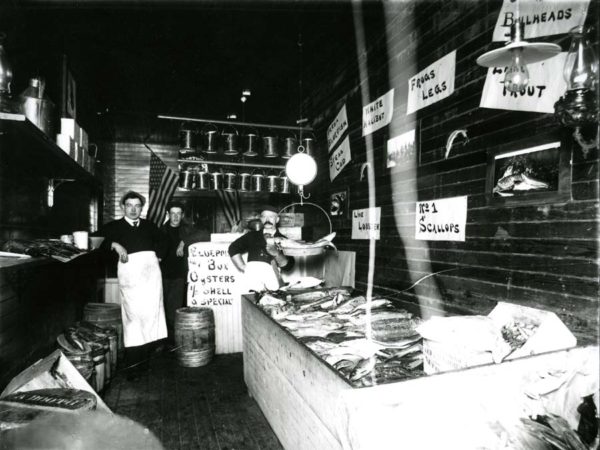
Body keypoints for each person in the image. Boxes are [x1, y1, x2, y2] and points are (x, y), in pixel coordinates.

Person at [97, 190, 167, 379]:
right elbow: (95, 240)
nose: (133, 209)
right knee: (133, 319)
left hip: (151, 277)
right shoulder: (113, 227)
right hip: (130, 278)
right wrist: (114, 244)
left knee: (149, 317)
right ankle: (133, 367)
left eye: (137, 206)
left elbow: (163, 241)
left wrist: (157, 257)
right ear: (122, 207)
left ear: (141, 208)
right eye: (129, 205)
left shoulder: (149, 226)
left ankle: (143, 364)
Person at [160, 200, 209, 346]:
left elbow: (205, 234)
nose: (175, 217)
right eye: (172, 213)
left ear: (182, 215)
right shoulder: (161, 230)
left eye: (178, 214)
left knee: (174, 310)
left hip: (179, 275)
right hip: (161, 275)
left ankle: (174, 342)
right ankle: (164, 341)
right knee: (161, 308)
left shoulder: (187, 230)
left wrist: (184, 242)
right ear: (167, 214)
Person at [228, 205, 294, 292]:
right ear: (261, 219)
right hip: (253, 283)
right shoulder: (251, 236)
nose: (267, 220)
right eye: (264, 217)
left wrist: (277, 254)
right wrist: (243, 267)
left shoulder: (284, 240)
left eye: (271, 217)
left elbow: (288, 266)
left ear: (277, 219)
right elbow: (233, 248)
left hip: (272, 283)